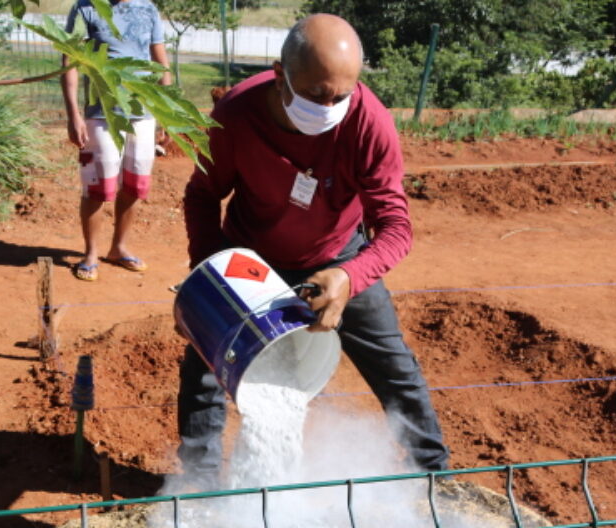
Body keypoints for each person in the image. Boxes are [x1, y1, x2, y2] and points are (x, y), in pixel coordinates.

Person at [178, 14, 450, 485]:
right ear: (279, 74)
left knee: (395, 369)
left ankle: (437, 480)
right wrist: (212, 273)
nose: (329, 107)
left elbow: (395, 226)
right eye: (316, 95)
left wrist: (349, 277)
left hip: (339, 258)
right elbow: (202, 195)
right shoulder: (236, 117)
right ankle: (197, 486)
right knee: (206, 365)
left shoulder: (369, 122)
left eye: (341, 96)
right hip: (250, 261)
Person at [62, 0, 171, 282]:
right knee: (99, 187)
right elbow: (69, 62)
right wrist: (74, 114)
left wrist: (167, 113)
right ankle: (90, 253)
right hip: (101, 113)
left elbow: (161, 62)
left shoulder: (148, 8)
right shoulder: (85, 8)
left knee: (136, 184)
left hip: (143, 112)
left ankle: (118, 248)